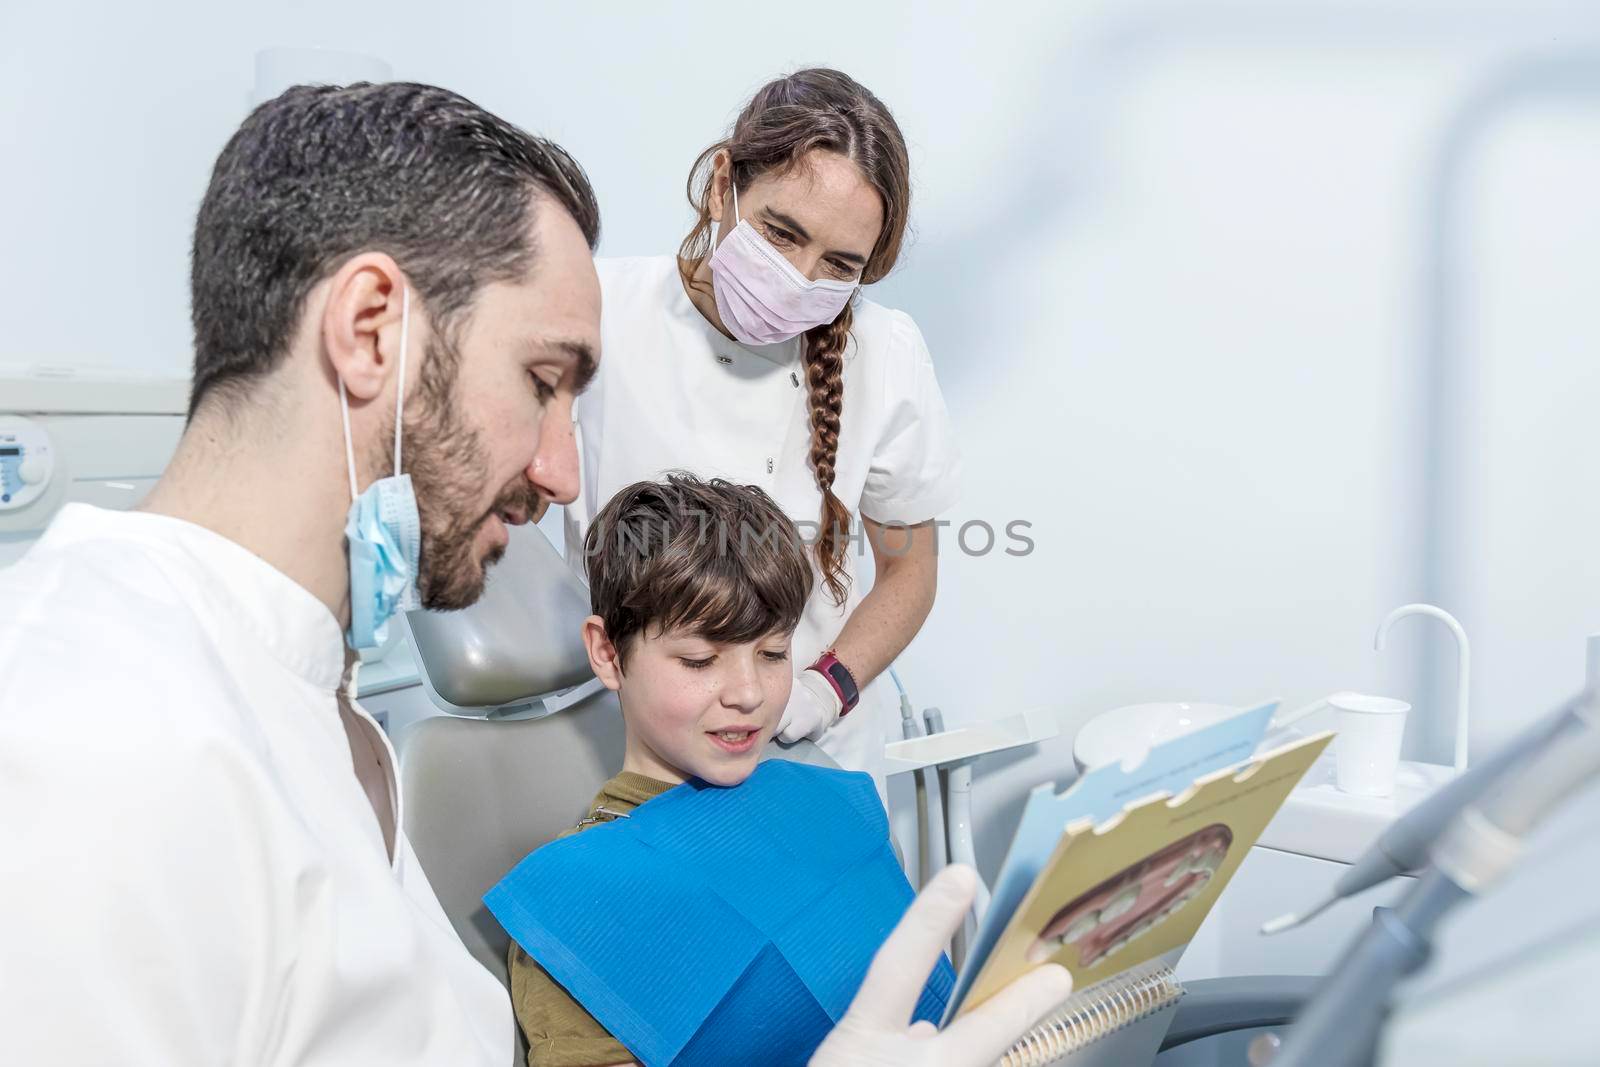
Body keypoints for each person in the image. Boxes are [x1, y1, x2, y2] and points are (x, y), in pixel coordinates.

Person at [0, 80, 1068, 1066]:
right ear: (371, 328)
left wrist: (825, 688)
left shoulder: (319, 718)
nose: (566, 475)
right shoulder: (93, 747)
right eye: (543, 380)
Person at [565, 69, 961, 795]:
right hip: (635, 753)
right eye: (782, 232)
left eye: (839, 265)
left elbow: (912, 570)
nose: (798, 277)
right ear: (724, 184)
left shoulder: (885, 353)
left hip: (813, 753)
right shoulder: (597, 310)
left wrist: (823, 687)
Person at [508, 474, 949, 1066]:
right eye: (700, 660)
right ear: (609, 653)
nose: (748, 693)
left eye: (772, 654)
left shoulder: (831, 800)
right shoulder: (574, 902)